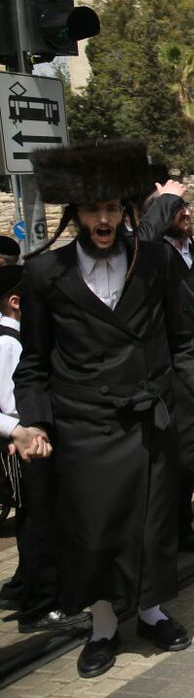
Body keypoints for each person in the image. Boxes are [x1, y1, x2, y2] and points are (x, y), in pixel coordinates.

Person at [16, 140, 194, 678]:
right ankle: (102, 626)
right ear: (75, 214)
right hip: (84, 428)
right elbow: (33, 362)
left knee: (151, 526)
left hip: (147, 421)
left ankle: (151, 613)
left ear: (126, 210)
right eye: (92, 210)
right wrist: (33, 421)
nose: (102, 221)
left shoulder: (155, 261)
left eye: (110, 209)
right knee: (94, 530)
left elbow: (181, 339)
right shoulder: (44, 273)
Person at [137, 183, 194, 554]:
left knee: (188, 452)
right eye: (176, 209)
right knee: (164, 458)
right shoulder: (149, 252)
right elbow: (139, 241)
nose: (185, 213)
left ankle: (182, 528)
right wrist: (164, 200)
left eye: (185, 206)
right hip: (163, 367)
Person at [1, 262, 85, 634]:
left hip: (37, 441)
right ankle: (39, 606)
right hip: (28, 446)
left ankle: (26, 590)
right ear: (17, 301)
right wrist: (17, 430)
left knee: (42, 521)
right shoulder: (8, 342)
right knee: (39, 524)